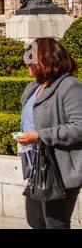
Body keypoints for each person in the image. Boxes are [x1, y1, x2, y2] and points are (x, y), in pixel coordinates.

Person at [15, 37, 82, 229]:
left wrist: (40, 135)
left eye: (31, 63)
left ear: (45, 61)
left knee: (54, 224)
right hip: (38, 165)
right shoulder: (35, 87)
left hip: (60, 169)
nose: (27, 68)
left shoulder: (70, 87)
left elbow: (79, 126)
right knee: (35, 220)